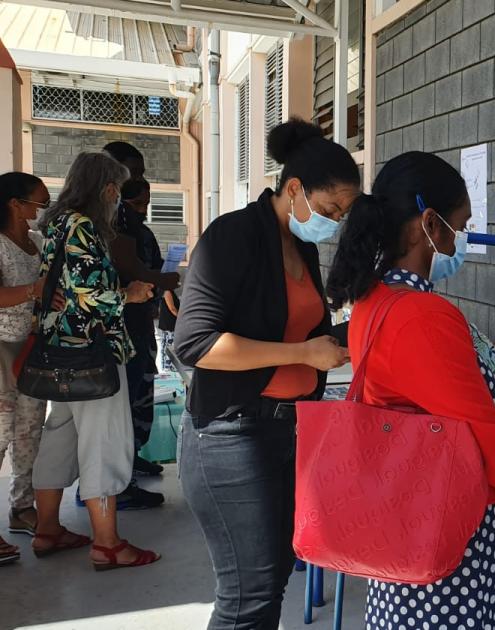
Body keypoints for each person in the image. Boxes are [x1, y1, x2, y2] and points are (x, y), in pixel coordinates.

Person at [325, 151, 495, 630]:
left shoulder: (373, 300)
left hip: (405, 512)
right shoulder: (423, 315)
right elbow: (479, 423)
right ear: (430, 223)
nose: (458, 240)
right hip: (451, 528)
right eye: (458, 227)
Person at [175, 118, 358, 630]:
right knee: (247, 595)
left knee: (273, 577)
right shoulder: (234, 235)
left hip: (285, 430)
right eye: (329, 210)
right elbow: (195, 344)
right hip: (231, 436)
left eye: (342, 214)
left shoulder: (302, 247)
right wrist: (302, 354)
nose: (334, 223)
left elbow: (303, 327)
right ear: (294, 188)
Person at [30, 152, 157, 569]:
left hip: (57, 349)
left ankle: (47, 529)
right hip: (92, 351)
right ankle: (107, 543)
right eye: (117, 190)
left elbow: (59, 285)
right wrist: (130, 295)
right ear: (105, 188)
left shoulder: (56, 222)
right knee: (103, 441)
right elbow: (89, 294)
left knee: (60, 435)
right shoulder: (84, 226)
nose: (118, 199)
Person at [105, 141, 179, 499]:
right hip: (116, 324)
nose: (139, 179)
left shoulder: (128, 217)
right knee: (121, 400)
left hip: (138, 320)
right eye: (133, 171)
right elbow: (128, 268)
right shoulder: (107, 216)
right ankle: (117, 482)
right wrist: (164, 280)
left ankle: (131, 460)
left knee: (140, 390)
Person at [0, 172, 52, 566]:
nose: (42, 210)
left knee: (29, 430)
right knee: (0, 432)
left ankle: (22, 506)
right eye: (39, 202)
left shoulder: (36, 243)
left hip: (32, 349)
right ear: (15, 204)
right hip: (1, 350)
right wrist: (36, 290)